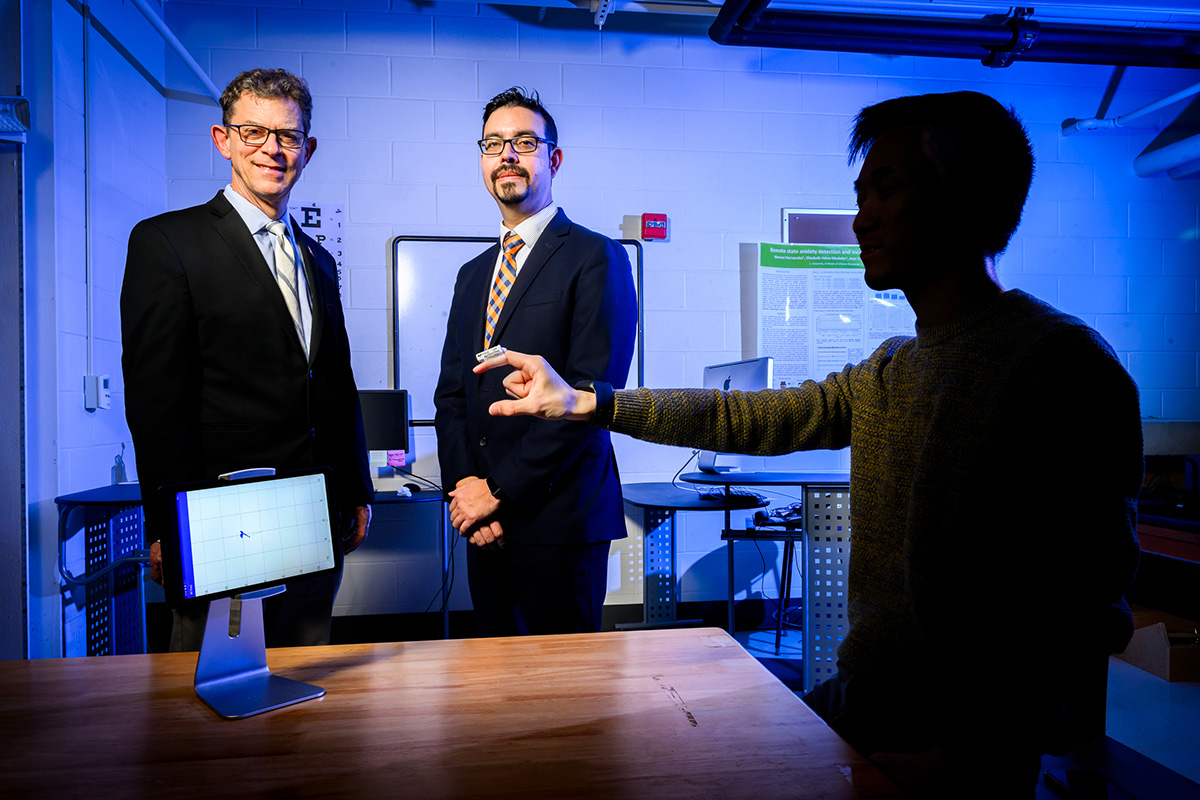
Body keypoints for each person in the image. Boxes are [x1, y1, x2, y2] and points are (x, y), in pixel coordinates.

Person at [473, 91, 1143, 797]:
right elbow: (750, 418)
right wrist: (588, 401)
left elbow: (1079, 611)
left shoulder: (1061, 367)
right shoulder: (890, 368)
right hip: (866, 698)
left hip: (961, 740)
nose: (862, 219)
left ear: (971, 203)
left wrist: (967, 762)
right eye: (860, 193)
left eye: (888, 188)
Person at [121, 68, 373, 650]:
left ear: (307, 148)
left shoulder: (317, 259)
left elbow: (336, 384)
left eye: (287, 136)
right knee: (213, 701)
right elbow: (157, 399)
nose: (272, 149)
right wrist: (167, 526)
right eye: (253, 132)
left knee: (306, 685)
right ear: (223, 139)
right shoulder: (167, 243)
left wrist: (357, 488)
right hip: (221, 519)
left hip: (315, 513)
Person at [434, 87, 637, 637]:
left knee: (567, 700)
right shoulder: (473, 273)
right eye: (494, 143)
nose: (507, 154)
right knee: (494, 692)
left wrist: (496, 493)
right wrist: (465, 494)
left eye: (524, 142)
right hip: (482, 521)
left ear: (553, 159)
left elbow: (589, 396)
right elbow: (452, 395)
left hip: (560, 520)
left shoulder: (597, 256)